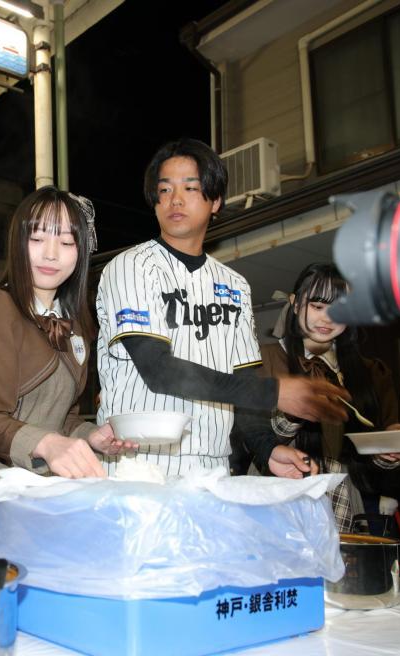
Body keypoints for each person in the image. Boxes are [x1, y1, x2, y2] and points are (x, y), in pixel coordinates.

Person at [96, 138, 345, 478]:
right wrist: (274, 391)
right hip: (135, 466)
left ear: (215, 201)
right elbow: (158, 369)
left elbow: (242, 381)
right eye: (165, 190)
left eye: (190, 188)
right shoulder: (131, 266)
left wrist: (267, 449)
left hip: (212, 467)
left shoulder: (235, 286)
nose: (175, 200)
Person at [0, 187, 134, 555]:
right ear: (17, 242)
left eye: (66, 242)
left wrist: (92, 435)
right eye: (37, 238)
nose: (51, 254)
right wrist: (51, 444)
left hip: (45, 497)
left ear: (81, 252)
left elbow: (62, 418)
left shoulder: (74, 327)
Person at [257, 263, 400, 533]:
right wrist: (297, 406)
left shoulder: (369, 372)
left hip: (341, 501)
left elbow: (365, 459)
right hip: (274, 498)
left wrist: (389, 448)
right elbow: (251, 439)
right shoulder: (263, 360)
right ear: (295, 304)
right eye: (317, 307)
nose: (327, 319)